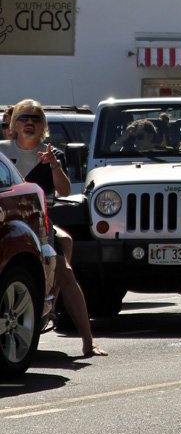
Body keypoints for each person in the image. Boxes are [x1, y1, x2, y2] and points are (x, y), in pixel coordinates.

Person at [0, 99, 106, 358]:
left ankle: (87, 341)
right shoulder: (3, 152)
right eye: (24, 118)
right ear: (13, 124)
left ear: (43, 126)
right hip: (7, 222)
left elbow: (66, 190)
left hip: (39, 226)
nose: (29, 123)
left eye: (36, 119)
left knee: (66, 273)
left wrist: (54, 166)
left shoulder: (52, 154)